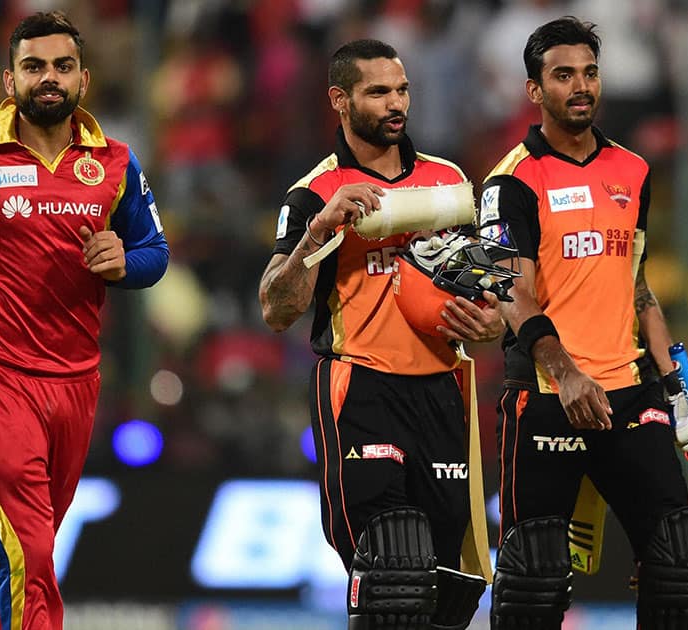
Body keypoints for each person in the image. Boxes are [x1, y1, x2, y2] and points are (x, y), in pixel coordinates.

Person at [0, 11, 168, 630]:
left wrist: (125, 262)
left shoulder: (116, 164)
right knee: (32, 552)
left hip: (78, 384)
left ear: (83, 79)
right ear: (8, 80)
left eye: (62, 67)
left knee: (0, 553)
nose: (50, 78)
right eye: (34, 66)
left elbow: (156, 253)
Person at [479, 17, 688, 629]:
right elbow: (514, 294)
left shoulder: (634, 171)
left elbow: (638, 290)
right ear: (535, 90)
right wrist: (567, 375)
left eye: (589, 73)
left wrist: (681, 389)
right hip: (544, 397)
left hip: (628, 394)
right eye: (563, 76)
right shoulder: (511, 181)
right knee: (532, 581)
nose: (580, 86)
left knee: (683, 566)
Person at [259, 39, 502, 630]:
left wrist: (493, 323)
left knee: (446, 588)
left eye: (402, 90)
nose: (396, 103)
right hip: (361, 390)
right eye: (378, 92)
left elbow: (493, 292)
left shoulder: (448, 182)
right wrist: (320, 230)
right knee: (393, 566)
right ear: (339, 101)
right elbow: (276, 308)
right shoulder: (314, 192)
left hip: (444, 392)